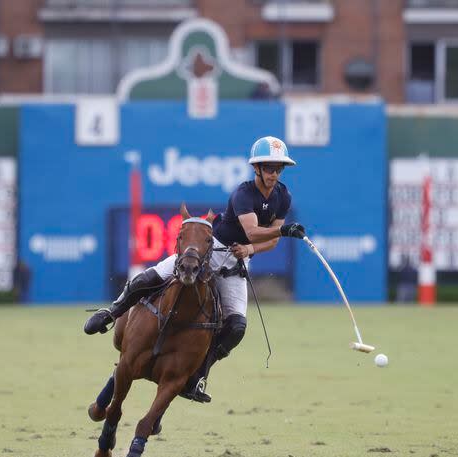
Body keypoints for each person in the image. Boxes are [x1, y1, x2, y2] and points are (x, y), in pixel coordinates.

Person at [84, 136, 306, 403]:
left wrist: (249, 250)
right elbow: (253, 231)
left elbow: (270, 241)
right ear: (256, 168)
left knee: (236, 327)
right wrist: (280, 230)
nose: (274, 173)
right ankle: (111, 312)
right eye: (269, 167)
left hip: (236, 263)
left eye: (279, 168)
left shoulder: (284, 196)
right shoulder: (244, 193)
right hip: (210, 252)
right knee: (149, 277)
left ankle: (197, 376)